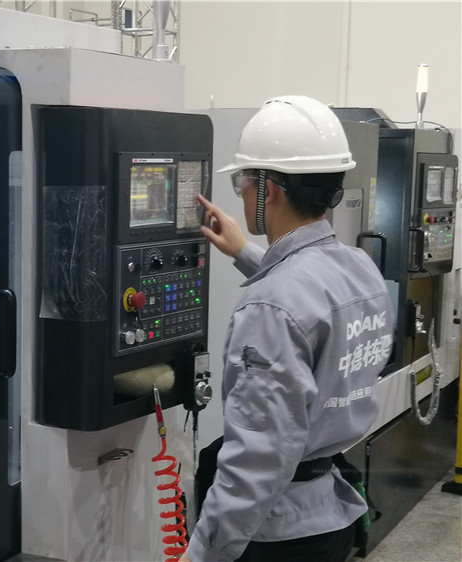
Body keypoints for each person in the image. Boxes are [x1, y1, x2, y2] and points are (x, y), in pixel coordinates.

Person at [182, 96, 394, 562]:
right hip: (332, 515)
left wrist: (202, 553)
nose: (241, 193)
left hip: (277, 535)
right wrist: (244, 251)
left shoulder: (270, 306)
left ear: (269, 190)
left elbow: (256, 457)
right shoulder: (360, 268)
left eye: (242, 181)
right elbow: (310, 301)